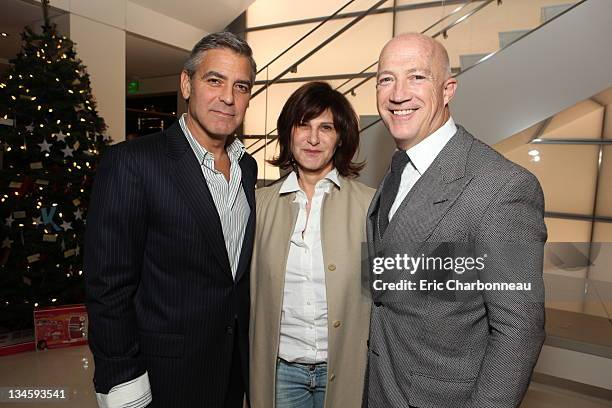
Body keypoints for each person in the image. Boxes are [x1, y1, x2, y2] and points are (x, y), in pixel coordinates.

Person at [363, 33, 547, 408]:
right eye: (386, 78)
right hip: (381, 387)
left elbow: (519, 330)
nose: (397, 93)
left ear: (448, 89)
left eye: (417, 77)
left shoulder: (502, 187)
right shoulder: (398, 167)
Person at [84, 32, 257, 408]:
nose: (228, 97)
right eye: (215, 80)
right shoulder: (132, 163)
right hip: (162, 375)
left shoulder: (247, 166)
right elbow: (108, 287)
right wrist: (123, 380)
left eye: (240, 86)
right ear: (186, 83)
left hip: (231, 371)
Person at [250, 81, 374, 408]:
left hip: (347, 368)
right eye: (303, 124)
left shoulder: (369, 206)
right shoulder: (259, 205)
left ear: (341, 138)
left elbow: (384, 297)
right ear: (288, 133)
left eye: (326, 127)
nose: (313, 138)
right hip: (281, 372)